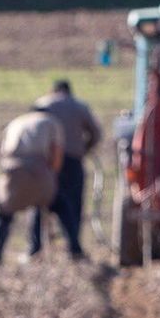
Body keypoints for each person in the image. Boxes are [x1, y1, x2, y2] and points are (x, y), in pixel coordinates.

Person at [31, 79, 103, 260]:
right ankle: (74, 248)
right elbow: (96, 133)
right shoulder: (79, 106)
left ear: (53, 90)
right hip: (72, 161)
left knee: (41, 202)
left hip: (46, 163)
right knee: (73, 205)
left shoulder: (41, 105)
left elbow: (31, 130)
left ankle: (35, 247)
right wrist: (84, 149)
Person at [0, 109, 63, 268]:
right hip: (38, 169)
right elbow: (56, 154)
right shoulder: (50, 121)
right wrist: (52, 177)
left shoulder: (16, 122)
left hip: (12, 170)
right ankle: (73, 250)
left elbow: (4, 151)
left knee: (4, 211)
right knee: (55, 203)